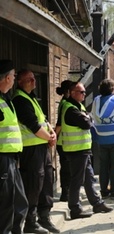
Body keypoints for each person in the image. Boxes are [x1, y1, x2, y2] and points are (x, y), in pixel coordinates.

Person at [12, 70, 58, 234]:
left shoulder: (32, 97)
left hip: (41, 147)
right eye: (29, 79)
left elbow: (43, 120)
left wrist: (52, 132)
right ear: (20, 82)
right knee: (33, 184)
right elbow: (33, 125)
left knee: (46, 181)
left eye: (34, 79)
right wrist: (49, 138)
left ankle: (44, 218)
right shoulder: (19, 100)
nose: (33, 81)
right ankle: (30, 221)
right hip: (30, 149)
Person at [61, 82, 113, 219]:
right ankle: (75, 208)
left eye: (84, 92)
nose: (84, 94)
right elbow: (87, 123)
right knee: (77, 180)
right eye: (81, 92)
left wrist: (88, 117)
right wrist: (88, 117)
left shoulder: (78, 106)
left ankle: (97, 203)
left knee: (89, 177)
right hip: (75, 149)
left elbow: (88, 119)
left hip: (83, 149)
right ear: (72, 93)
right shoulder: (70, 108)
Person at [0, 60, 28, 234]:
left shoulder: (6, 99)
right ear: (7, 78)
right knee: (7, 204)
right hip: (2, 158)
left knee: (19, 202)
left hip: (11, 158)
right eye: (14, 75)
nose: (14, 79)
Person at [54, 80, 73, 203]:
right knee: (67, 168)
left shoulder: (64, 102)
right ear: (68, 91)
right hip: (63, 141)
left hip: (63, 141)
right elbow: (59, 123)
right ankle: (66, 193)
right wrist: (54, 136)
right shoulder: (66, 104)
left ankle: (67, 192)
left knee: (67, 168)